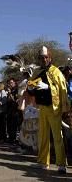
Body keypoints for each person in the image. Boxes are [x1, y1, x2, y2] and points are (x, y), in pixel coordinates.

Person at [27, 46, 70, 174]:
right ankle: (43, 162)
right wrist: (30, 87)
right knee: (43, 136)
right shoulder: (37, 72)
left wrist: (48, 88)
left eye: (46, 57)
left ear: (50, 58)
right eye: (41, 57)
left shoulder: (56, 72)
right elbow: (30, 89)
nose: (44, 59)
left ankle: (61, 164)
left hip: (54, 108)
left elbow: (63, 90)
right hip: (42, 108)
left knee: (57, 137)